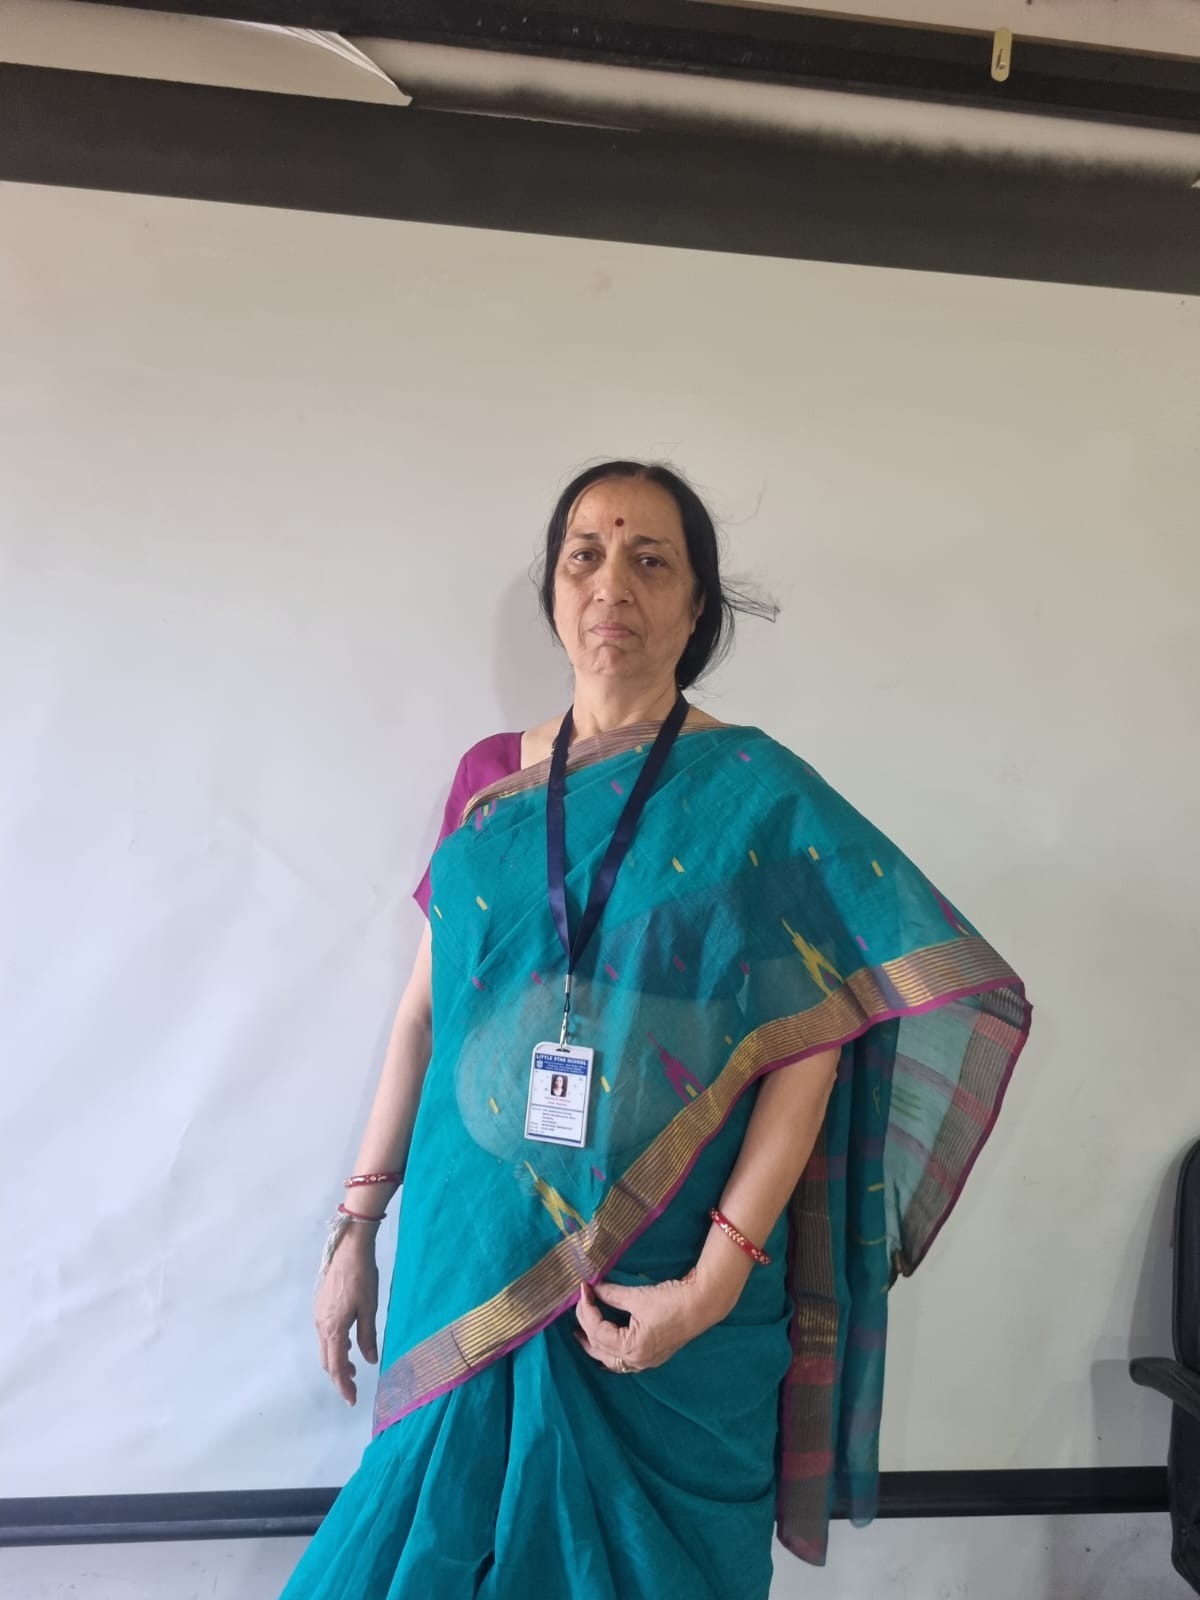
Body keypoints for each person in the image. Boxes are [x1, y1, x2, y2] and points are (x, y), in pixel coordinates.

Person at [281, 461, 1031, 1600]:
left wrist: (716, 1283)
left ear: (697, 605)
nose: (611, 584)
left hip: (664, 1278)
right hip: (470, 1251)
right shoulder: (489, 779)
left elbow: (808, 1052)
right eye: (584, 556)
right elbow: (426, 1011)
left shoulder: (759, 796)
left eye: (650, 560)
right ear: (553, 590)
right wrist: (354, 1232)